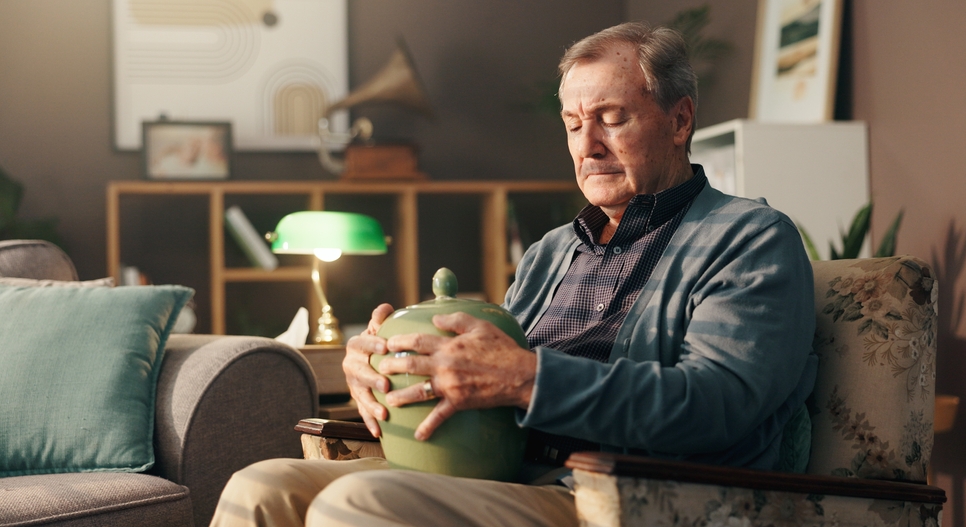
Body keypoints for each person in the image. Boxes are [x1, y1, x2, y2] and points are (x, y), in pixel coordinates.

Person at [210, 21, 817, 527]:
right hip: (497, 469)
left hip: (614, 494)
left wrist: (529, 379)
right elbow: (482, 373)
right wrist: (385, 364)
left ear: (680, 121)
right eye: (574, 125)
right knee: (260, 487)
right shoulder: (551, 252)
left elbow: (716, 404)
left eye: (611, 118)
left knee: (356, 504)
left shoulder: (749, 238)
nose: (588, 146)